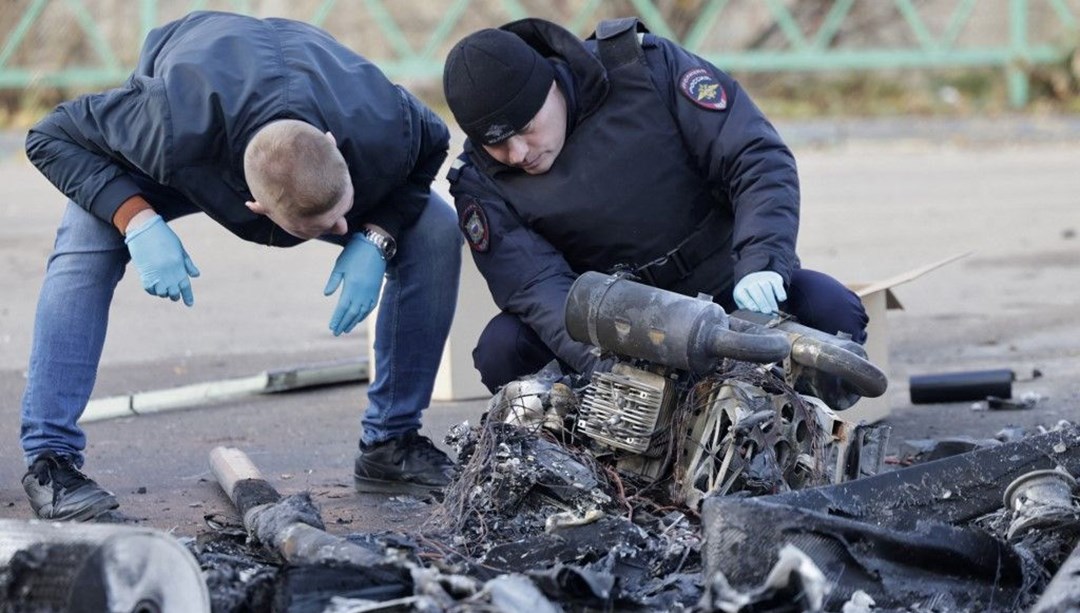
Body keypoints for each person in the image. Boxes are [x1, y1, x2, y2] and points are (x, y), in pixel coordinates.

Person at [21, 11, 462, 521]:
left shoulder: (385, 124)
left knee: (432, 228)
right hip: (198, 129)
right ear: (254, 209)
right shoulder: (162, 123)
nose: (342, 230)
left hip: (314, 92)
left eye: (345, 212)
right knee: (87, 233)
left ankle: (392, 443)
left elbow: (433, 142)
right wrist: (137, 219)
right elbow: (49, 137)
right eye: (324, 226)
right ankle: (50, 459)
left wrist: (376, 235)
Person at [441, 18, 868, 393]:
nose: (517, 154)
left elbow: (754, 157)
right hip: (616, 326)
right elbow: (538, 287)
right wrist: (610, 368)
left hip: (728, 292)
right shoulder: (480, 181)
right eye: (496, 143)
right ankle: (589, 456)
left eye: (526, 129)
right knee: (503, 350)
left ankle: (802, 436)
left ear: (552, 84)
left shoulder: (644, 68)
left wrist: (762, 261)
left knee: (833, 310)